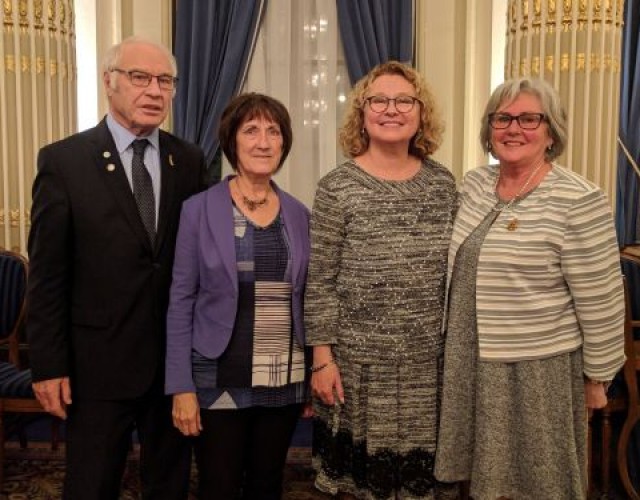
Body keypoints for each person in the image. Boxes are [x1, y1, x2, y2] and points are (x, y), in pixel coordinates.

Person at [26, 37, 205, 499]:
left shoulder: (189, 161)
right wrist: (48, 365)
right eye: (139, 77)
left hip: (171, 365)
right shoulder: (63, 162)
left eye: (165, 80)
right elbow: (47, 276)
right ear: (109, 82)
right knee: (91, 484)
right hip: (96, 365)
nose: (154, 90)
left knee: (169, 485)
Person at [434, 78, 626, 499]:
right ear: (489, 129)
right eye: (502, 118)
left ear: (551, 130)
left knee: (542, 480)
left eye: (528, 118)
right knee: (481, 479)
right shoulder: (474, 185)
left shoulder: (579, 199)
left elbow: (603, 297)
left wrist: (598, 377)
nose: (513, 128)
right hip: (470, 358)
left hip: (537, 368)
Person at [305, 61, 458, 499]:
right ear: (362, 112)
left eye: (404, 100)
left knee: (420, 487)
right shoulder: (337, 186)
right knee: (360, 486)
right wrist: (322, 358)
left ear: (421, 112)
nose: (391, 110)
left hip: (426, 367)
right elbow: (321, 280)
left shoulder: (443, 184)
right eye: (379, 101)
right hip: (356, 369)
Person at [165, 92, 311, 499]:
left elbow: (308, 297)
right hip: (215, 374)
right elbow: (180, 300)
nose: (263, 141)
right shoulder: (198, 209)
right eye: (251, 130)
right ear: (232, 141)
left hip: (282, 373)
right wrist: (181, 386)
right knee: (219, 485)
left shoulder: (299, 214)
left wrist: (315, 369)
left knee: (267, 484)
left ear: (284, 144)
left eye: (273, 131)